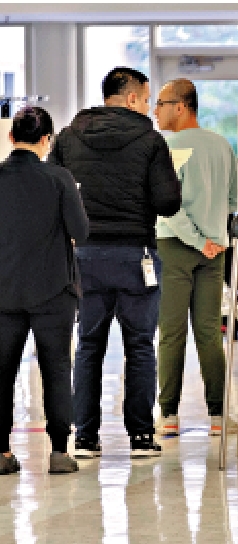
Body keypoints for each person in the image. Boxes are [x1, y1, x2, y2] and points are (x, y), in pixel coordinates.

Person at [49, 67, 181, 458]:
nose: (147, 105)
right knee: (140, 345)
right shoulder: (150, 140)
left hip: (83, 257)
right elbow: (167, 202)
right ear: (129, 99)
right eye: (145, 98)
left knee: (88, 345)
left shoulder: (69, 138)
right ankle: (141, 436)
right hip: (135, 255)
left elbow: (56, 192)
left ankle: (85, 438)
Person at [0, 107, 89, 474]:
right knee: (56, 369)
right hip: (53, 290)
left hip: (3, 292)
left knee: (2, 372)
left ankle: (2, 454)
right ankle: (58, 453)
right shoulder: (59, 178)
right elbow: (80, 232)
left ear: (10, 137)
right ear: (46, 140)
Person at [153, 79, 238, 437]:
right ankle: (219, 417)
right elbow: (234, 200)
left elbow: (166, 207)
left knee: (171, 332)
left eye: (160, 103)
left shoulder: (170, 148)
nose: (155, 110)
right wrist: (217, 237)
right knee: (208, 332)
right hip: (215, 251)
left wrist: (198, 240)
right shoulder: (222, 146)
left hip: (176, 246)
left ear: (181, 106)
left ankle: (169, 416)